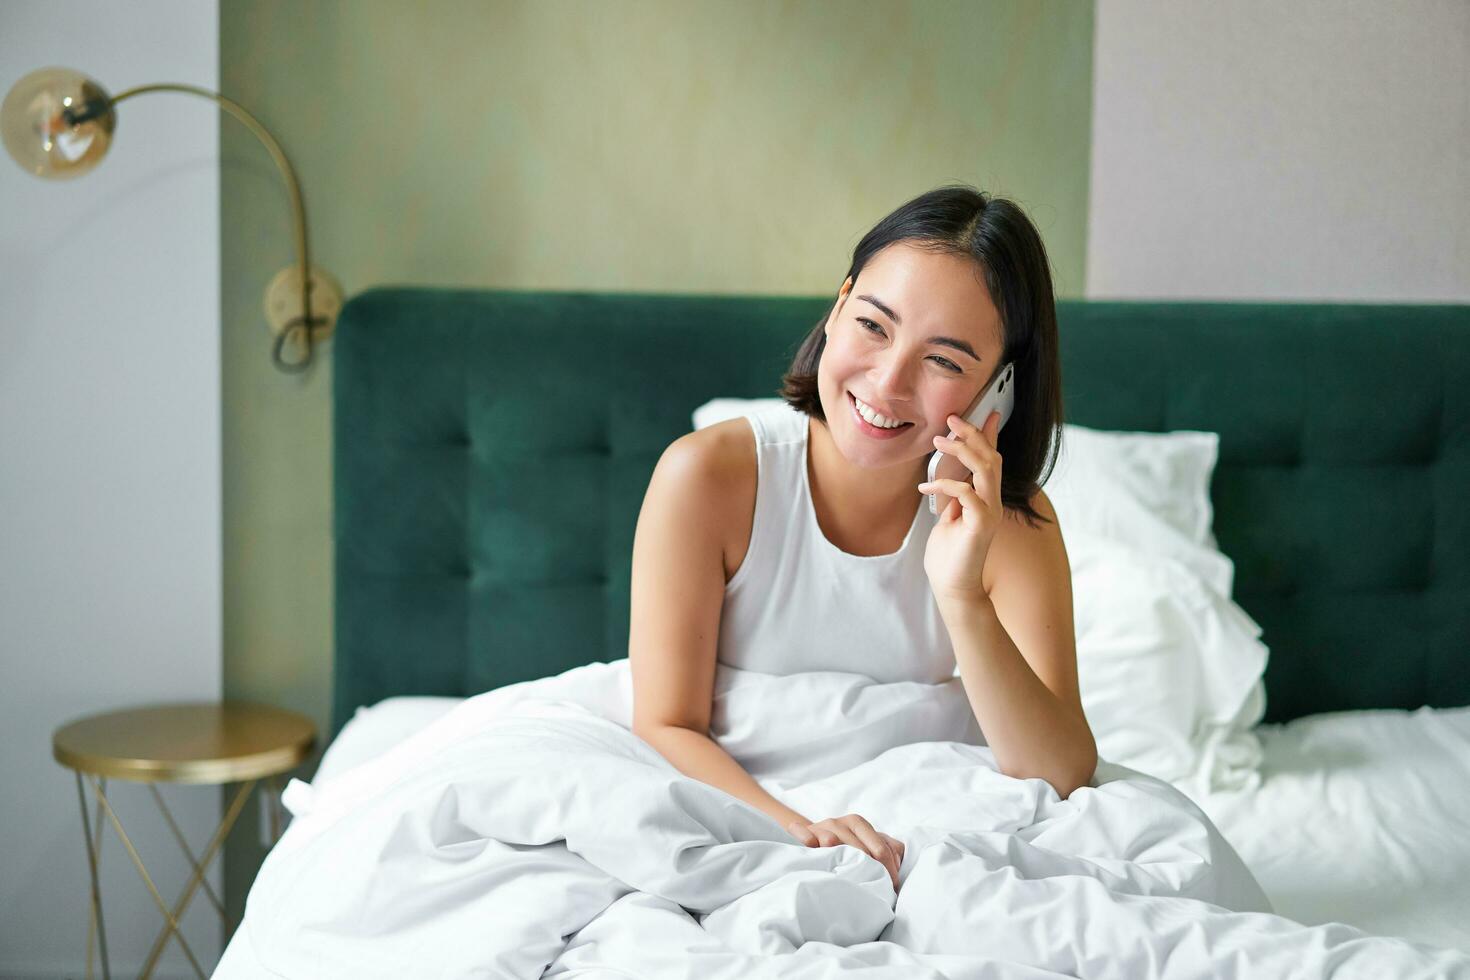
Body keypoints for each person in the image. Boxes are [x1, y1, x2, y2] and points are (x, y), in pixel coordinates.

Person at [628, 184, 1095, 893]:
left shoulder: (1014, 525)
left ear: (999, 387)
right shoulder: (706, 477)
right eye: (874, 326)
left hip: (908, 818)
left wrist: (962, 594)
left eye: (944, 360)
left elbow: (1060, 769)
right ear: (839, 305)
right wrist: (798, 832)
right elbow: (667, 724)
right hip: (746, 807)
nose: (888, 381)